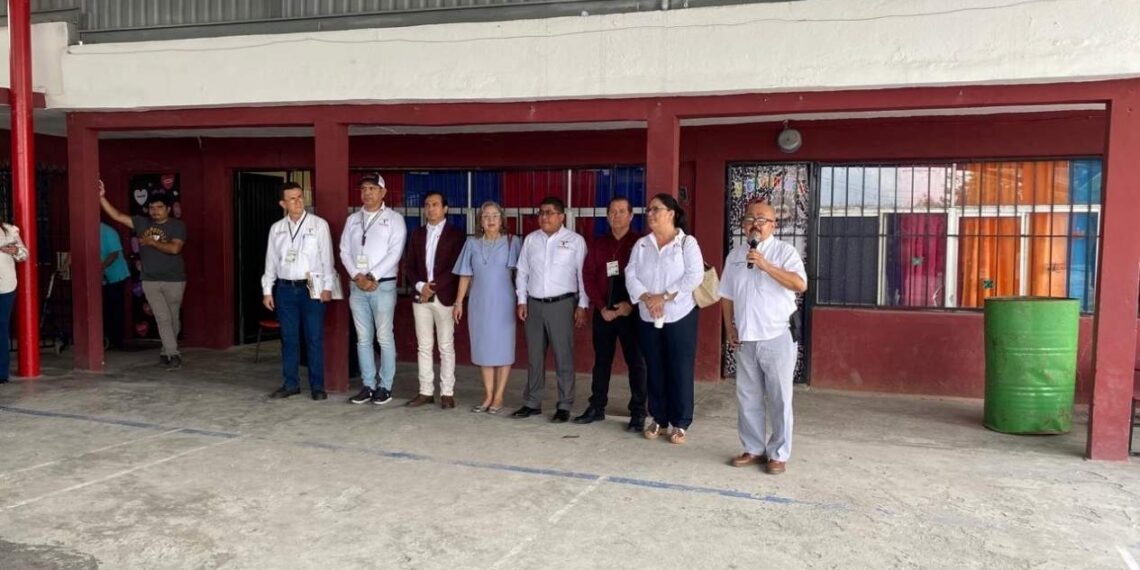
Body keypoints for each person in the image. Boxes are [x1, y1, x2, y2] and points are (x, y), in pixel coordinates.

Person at [720, 199, 807, 475]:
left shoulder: (784, 251)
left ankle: (778, 453)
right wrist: (729, 328)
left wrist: (766, 265)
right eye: (749, 219)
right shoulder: (735, 256)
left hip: (777, 336)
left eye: (761, 219)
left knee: (780, 397)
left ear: (773, 224)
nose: (754, 224)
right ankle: (754, 448)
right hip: (746, 338)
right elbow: (726, 296)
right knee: (748, 396)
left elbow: (800, 284)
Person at [625, 193, 704, 444]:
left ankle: (681, 422)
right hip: (648, 315)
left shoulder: (687, 243)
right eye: (648, 210)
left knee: (679, 367)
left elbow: (694, 276)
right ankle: (658, 417)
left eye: (655, 209)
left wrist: (665, 297)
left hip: (680, 315)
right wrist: (647, 297)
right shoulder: (642, 244)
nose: (650, 213)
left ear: (671, 213)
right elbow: (630, 274)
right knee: (654, 367)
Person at [573, 196, 648, 432]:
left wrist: (630, 304)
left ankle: (638, 412)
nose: (617, 216)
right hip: (604, 312)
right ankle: (597, 406)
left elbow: (648, 277)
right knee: (601, 361)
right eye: (612, 212)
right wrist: (600, 306)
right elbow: (588, 276)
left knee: (636, 363)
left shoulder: (641, 244)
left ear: (630, 215)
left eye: (621, 211)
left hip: (631, 312)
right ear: (607, 216)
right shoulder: (598, 244)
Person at [511, 196, 588, 423]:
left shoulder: (575, 241)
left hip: (562, 305)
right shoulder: (531, 240)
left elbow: (582, 275)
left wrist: (582, 304)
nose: (545, 217)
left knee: (563, 357)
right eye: (542, 212)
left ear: (562, 216)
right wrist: (521, 300)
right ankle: (532, 402)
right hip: (534, 305)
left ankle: (564, 404)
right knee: (535, 357)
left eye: (550, 212)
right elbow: (522, 271)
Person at [100, 180, 187, 370]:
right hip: (150, 279)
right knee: (162, 317)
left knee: (173, 318)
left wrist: (151, 242)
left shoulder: (177, 226)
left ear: (168, 209)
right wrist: (101, 197)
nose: (155, 211)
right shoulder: (142, 222)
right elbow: (117, 216)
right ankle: (174, 355)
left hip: (174, 279)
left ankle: (166, 351)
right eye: (152, 207)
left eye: (159, 207)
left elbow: (174, 248)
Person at [261, 182, 336, 401]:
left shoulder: (318, 224)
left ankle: (317, 385)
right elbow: (271, 261)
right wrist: (267, 290)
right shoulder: (277, 228)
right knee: (289, 338)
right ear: (283, 203)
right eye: (292, 199)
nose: (298, 202)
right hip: (285, 288)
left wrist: (327, 287)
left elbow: (326, 258)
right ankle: (291, 383)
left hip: (311, 286)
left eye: (300, 197)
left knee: (313, 337)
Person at [340, 173, 406, 406]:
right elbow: (344, 251)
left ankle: (385, 386)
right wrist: (357, 277)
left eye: (372, 188)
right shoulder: (353, 220)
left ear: (383, 193)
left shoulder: (394, 219)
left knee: (384, 337)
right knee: (363, 338)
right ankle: (368, 385)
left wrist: (372, 276)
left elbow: (394, 253)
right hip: (357, 286)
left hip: (383, 285)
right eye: (364, 188)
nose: (367, 192)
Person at [453, 201, 522, 414]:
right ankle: (488, 395)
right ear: (480, 222)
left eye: (494, 215)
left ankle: (499, 396)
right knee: (483, 347)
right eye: (486, 216)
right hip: (479, 302)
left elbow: (522, 275)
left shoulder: (512, 242)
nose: (490, 220)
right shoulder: (472, 244)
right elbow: (465, 274)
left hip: (503, 301)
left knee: (502, 347)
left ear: (502, 220)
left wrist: (522, 301)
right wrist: (458, 302)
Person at [404, 191, 466, 409]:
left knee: (446, 346)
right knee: (424, 346)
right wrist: (421, 286)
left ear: (445, 208)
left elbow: (455, 268)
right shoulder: (417, 234)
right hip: (421, 297)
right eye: (427, 205)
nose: (431, 209)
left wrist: (434, 287)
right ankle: (425, 391)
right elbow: (408, 265)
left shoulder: (456, 235)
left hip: (445, 296)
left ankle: (447, 392)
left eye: (435, 204)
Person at [0, 222, 28, 384]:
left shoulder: (10, 230)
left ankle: (2, 373)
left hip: (5, 286)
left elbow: (24, 254)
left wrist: (16, 250)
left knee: (1, 327)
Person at [100, 222, 130, 350]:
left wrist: (101, 267)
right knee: (104, 308)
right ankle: (107, 338)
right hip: (101, 277)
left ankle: (117, 340)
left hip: (116, 275)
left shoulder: (108, 231)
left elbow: (114, 254)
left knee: (114, 308)